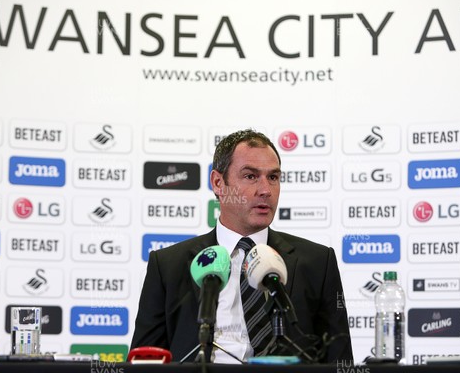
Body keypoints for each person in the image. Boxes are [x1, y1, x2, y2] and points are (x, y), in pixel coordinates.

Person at [130, 129, 353, 363]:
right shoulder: (167, 266)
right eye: (250, 176)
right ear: (218, 183)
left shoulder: (318, 262)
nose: (266, 190)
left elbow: (340, 361)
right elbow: (143, 362)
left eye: (273, 177)